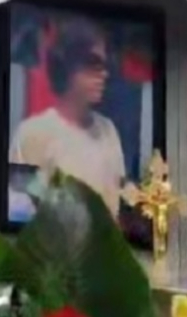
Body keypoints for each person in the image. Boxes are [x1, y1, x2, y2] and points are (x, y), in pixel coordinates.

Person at [10, 17, 126, 216]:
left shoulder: (108, 130)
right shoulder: (34, 132)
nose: (103, 74)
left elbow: (117, 206)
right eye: (93, 64)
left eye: (105, 65)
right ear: (67, 66)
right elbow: (19, 211)